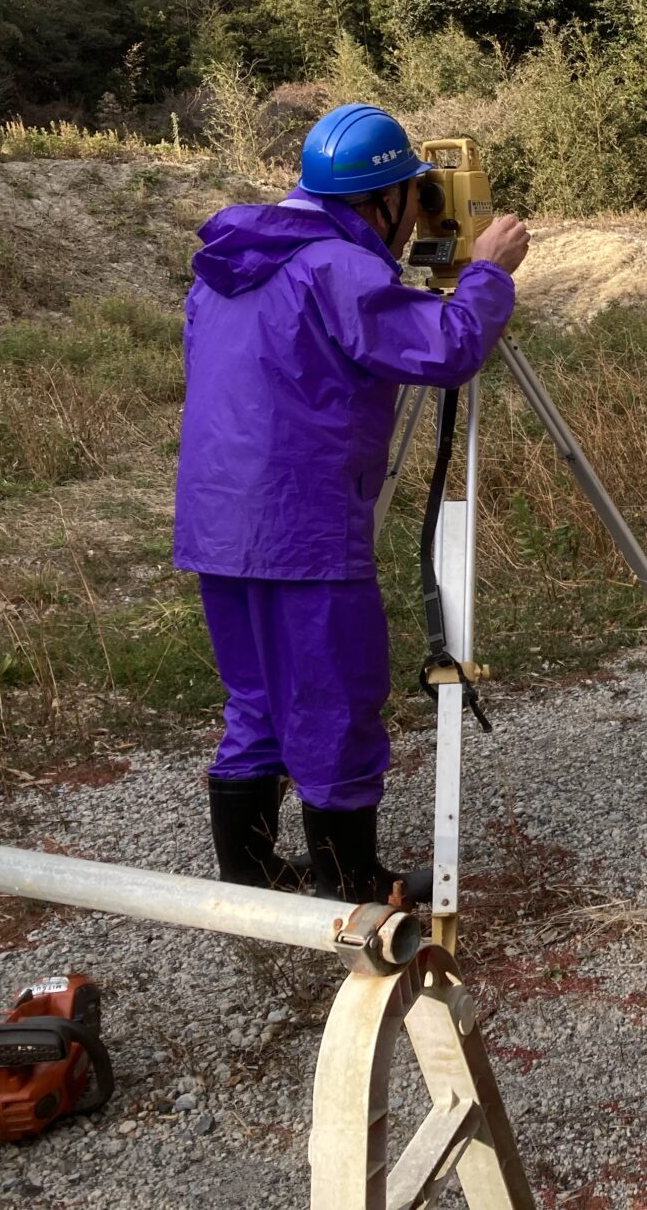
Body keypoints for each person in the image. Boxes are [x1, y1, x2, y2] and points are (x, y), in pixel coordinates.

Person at [173, 103, 531, 905]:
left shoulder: (229, 265)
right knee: (332, 697)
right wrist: (489, 272)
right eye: (413, 198)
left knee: (257, 697)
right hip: (302, 523)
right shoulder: (338, 268)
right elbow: (448, 348)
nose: (414, 222)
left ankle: (251, 874)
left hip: (218, 519)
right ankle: (349, 885)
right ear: (384, 201)